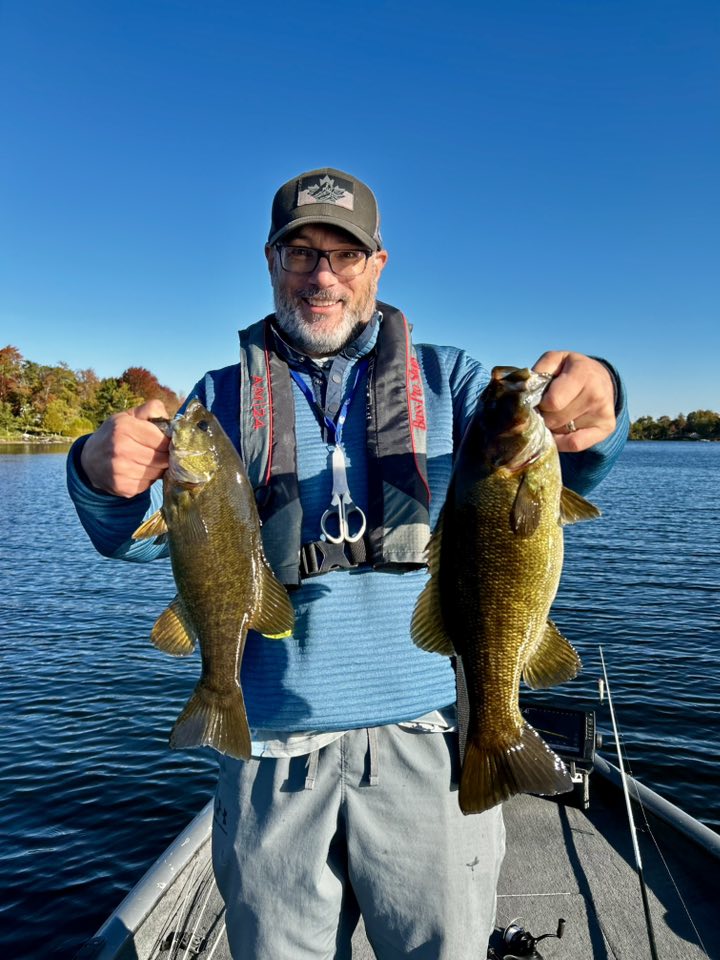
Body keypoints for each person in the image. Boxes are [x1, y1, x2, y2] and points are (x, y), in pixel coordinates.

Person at [68, 167, 629, 960]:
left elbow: (572, 467)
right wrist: (97, 470)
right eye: (301, 253)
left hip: (430, 741)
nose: (322, 274)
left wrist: (599, 399)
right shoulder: (215, 400)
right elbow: (133, 534)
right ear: (270, 261)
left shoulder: (456, 381)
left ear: (378, 265)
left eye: (345, 253)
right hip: (268, 754)